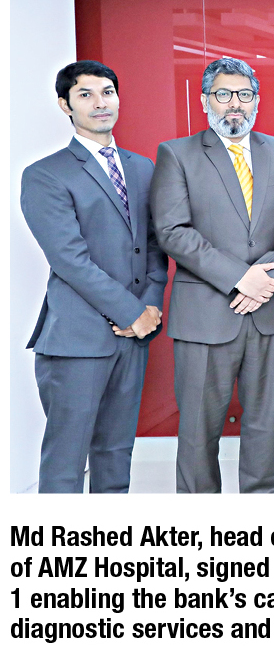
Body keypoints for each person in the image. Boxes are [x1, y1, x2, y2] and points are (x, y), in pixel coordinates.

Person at [153, 57, 274, 493]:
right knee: (198, 427)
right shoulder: (177, 154)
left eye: (244, 95)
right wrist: (240, 278)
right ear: (205, 100)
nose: (235, 104)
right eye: (223, 94)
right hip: (206, 312)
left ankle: (259, 510)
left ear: (257, 101)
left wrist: (266, 278)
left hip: (269, 308)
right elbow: (172, 231)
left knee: (266, 422)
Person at [22, 61, 168, 493]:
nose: (100, 102)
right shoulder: (45, 174)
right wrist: (131, 312)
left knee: (115, 454)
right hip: (78, 339)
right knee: (66, 461)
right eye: (85, 94)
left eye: (107, 92)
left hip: (134, 336)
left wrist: (150, 308)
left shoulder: (142, 168)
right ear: (64, 105)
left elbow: (155, 245)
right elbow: (70, 260)